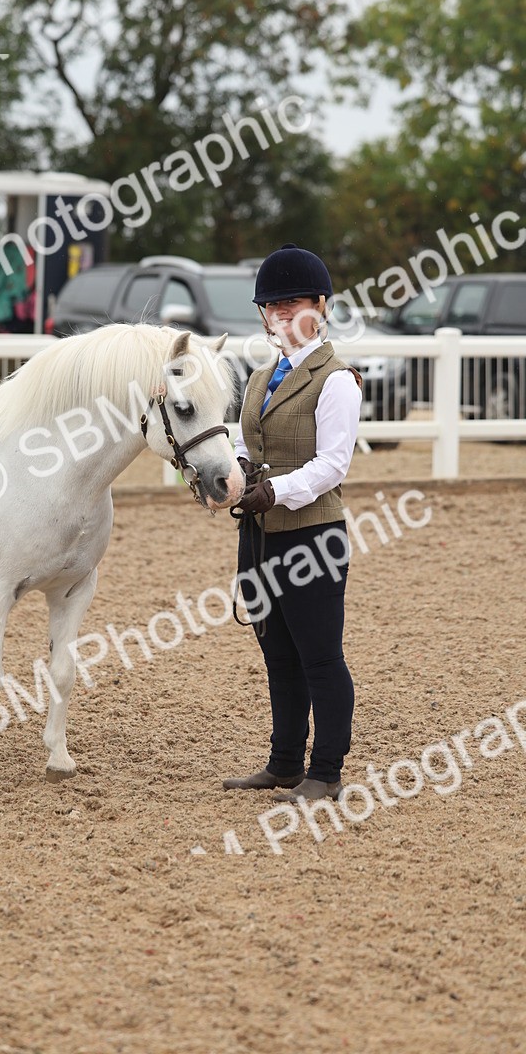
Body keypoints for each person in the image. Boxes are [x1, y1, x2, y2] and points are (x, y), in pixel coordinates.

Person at [223, 243, 362, 802]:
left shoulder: (336, 380)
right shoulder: (259, 377)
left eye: (293, 303)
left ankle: (326, 770)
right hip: (258, 537)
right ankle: (284, 762)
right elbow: (241, 438)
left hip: (312, 536)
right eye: (272, 306)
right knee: (277, 652)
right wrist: (233, 476)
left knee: (320, 656)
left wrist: (273, 491)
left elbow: (332, 465)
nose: (282, 315)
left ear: (320, 307)